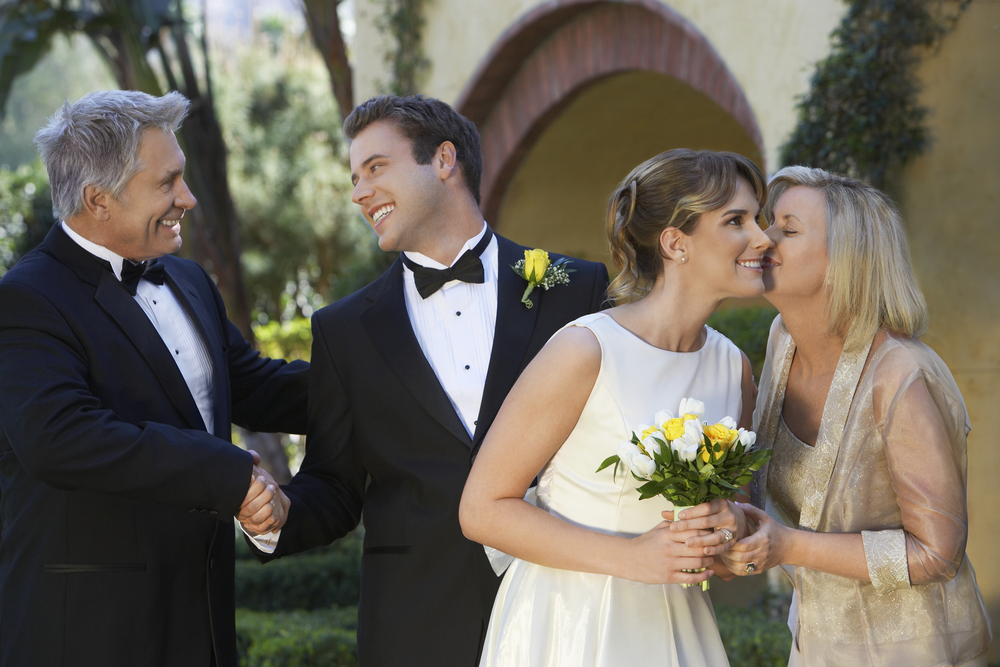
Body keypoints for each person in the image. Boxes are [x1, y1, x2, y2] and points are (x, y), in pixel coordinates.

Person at [242, 94, 609, 665]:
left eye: (376, 168)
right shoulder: (344, 331)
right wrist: (273, 516)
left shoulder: (576, 290)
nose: (359, 192)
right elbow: (336, 487)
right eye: (354, 177)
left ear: (444, 161)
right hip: (415, 625)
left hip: (567, 606)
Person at [0, 90, 307, 667]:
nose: (187, 198)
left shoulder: (189, 281)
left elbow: (257, 388)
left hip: (202, 626)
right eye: (167, 183)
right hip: (87, 635)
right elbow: (60, 438)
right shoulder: (24, 301)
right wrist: (225, 472)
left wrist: (387, 378)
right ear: (98, 200)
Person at [460, 149, 772, 666]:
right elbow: (482, 510)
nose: (762, 238)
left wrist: (730, 527)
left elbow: (733, 528)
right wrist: (630, 557)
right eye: (737, 220)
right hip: (567, 624)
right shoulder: (584, 350)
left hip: (675, 623)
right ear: (676, 243)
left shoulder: (733, 367)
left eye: (757, 219)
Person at [703, 166, 992, 666]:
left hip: (914, 653)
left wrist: (788, 545)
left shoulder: (899, 374)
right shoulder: (783, 339)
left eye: (788, 229)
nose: (763, 237)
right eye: (769, 222)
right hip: (814, 646)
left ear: (844, 262)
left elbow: (939, 552)